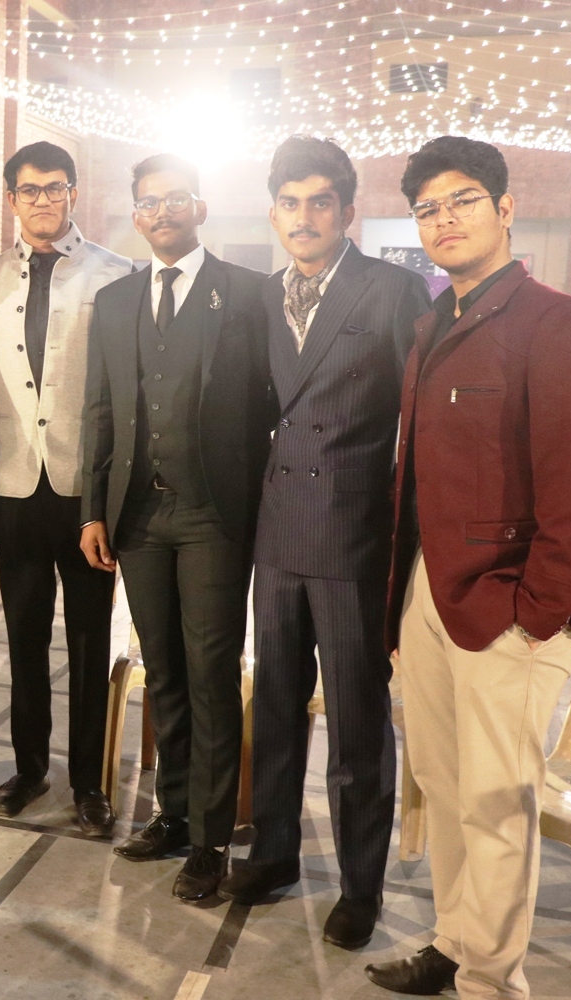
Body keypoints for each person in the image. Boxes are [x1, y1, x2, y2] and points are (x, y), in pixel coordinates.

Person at [365, 137, 571, 999]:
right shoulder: (433, 322)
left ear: (506, 209)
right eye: (428, 209)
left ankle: (491, 981)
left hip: (509, 605)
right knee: (441, 784)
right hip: (429, 591)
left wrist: (534, 611)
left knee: (496, 801)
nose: (445, 219)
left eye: (463, 200)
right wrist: (404, 598)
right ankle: (454, 943)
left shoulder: (560, 321)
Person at [223, 136, 432, 947]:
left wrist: (409, 541)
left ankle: (360, 885)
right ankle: (275, 852)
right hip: (276, 534)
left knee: (355, 724)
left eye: (319, 202)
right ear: (273, 212)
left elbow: (421, 423)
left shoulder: (391, 290)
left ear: (347, 211)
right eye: (289, 203)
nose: (303, 217)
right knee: (275, 707)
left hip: (353, 540)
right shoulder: (261, 296)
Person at [79, 154, 271, 902]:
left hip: (213, 514)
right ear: (135, 215)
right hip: (138, 515)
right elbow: (99, 410)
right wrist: (93, 509)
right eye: (149, 203)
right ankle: (174, 812)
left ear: (200, 207)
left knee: (211, 673)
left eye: (175, 199)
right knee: (161, 669)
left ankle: (213, 838)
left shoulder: (247, 293)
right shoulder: (115, 301)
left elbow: (268, 405)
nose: (162, 212)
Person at [0, 141, 131, 836]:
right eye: (30, 189)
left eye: (55, 188)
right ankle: (29, 768)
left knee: (90, 645)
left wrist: (111, 499)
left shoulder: (115, 275)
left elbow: (125, 396)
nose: (43, 200)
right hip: (11, 487)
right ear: (11, 198)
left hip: (85, 493)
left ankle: (89, 783)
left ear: (73, 193)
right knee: (24, 641)